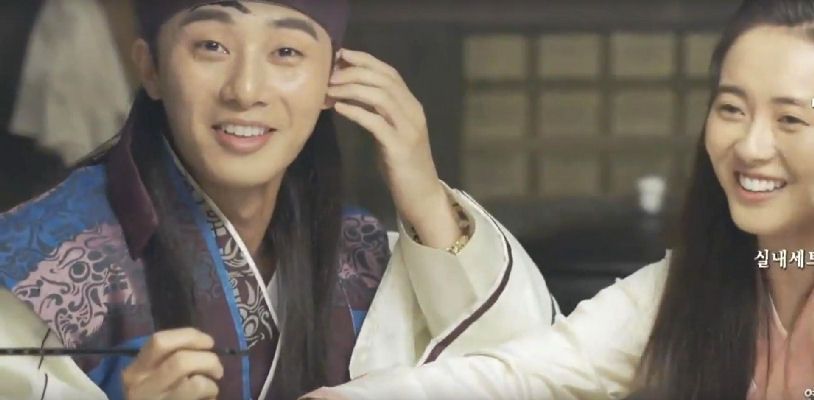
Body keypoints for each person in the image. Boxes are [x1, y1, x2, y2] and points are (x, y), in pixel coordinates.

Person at [0, 1, 556, 399]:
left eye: (286, 51)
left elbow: (533, 376)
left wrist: (427, 197)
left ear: (332, 78)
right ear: (151, 68)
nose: (246, 90)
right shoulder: (36, 266)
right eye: (211, 46)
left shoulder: (362, 256)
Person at [307, 0, 814, 399]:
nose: (750, 147)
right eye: (731, 109)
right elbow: (527, 374)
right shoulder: (689, 285)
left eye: (790, 119)